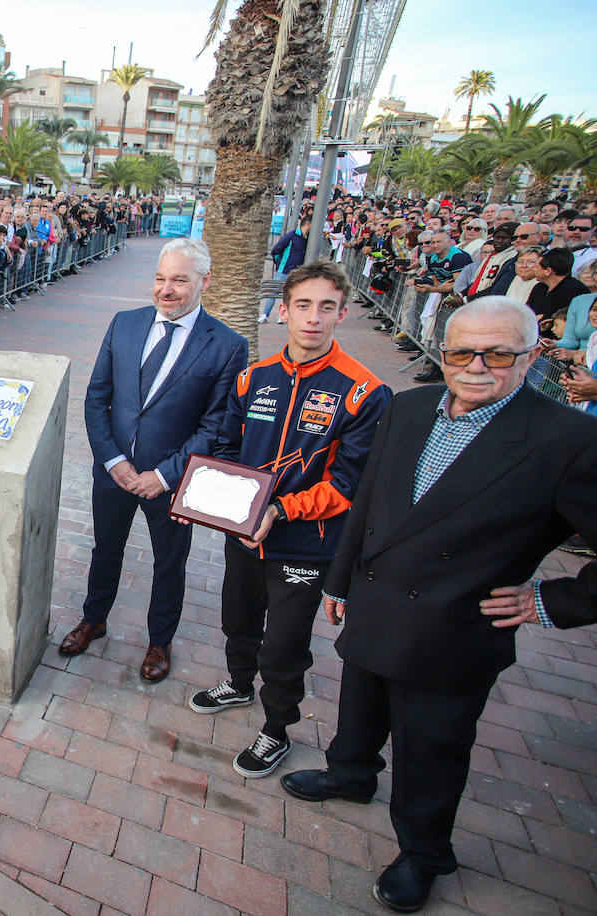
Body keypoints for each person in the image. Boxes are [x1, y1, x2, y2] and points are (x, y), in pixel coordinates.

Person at [280, 297, 597, 914]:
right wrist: (340, 580)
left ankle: (424, 852)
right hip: (376, 599)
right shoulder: (410, 405)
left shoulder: (570, 439)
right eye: (460, 352)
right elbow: (369, 500)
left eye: (497, 353)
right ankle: (350, 775)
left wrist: (550, 600)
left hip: (454, 627)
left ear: (530, 355)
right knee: (359, 704)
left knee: (432, 748)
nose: (475, 367)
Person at [188, 262, 390, 778]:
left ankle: (277, 728)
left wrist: (280, 509)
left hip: (306, 544)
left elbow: (348, 484)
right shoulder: (253, 378)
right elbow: (227, 448)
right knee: (238, 618)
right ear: (283, 311)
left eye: (326, 307)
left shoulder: (364, 391)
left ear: (342, 314)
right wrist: (208, 499)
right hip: (243, 533)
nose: (313, 318)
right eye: (303, 305)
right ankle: (238, 684)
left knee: (284, 645)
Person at [64, 239, 247, 683]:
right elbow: (97, 397)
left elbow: (215, 426)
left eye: (179, 280)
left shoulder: (227, 345)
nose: (166, 289)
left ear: (205, 281)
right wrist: (113, 461)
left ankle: (159, 641)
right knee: (105, 550)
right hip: (115, 473)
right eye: (161, 278)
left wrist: (164, 476)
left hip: (173, 482)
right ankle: (94, 618)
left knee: (169, 563)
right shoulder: (124, 324)